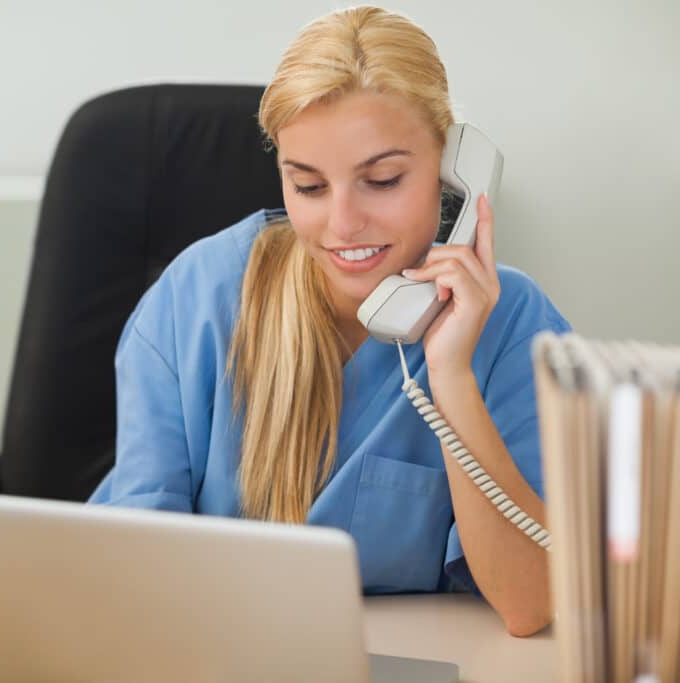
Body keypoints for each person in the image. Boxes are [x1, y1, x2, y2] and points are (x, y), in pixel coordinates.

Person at [88, 5, 569, 637]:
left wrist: (450, 374)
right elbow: (135, 573)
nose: (342, 225)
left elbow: (530, 603)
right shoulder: (197, 297)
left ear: (453, 173)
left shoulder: (513, 324)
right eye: (309, 187)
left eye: (383, 179)